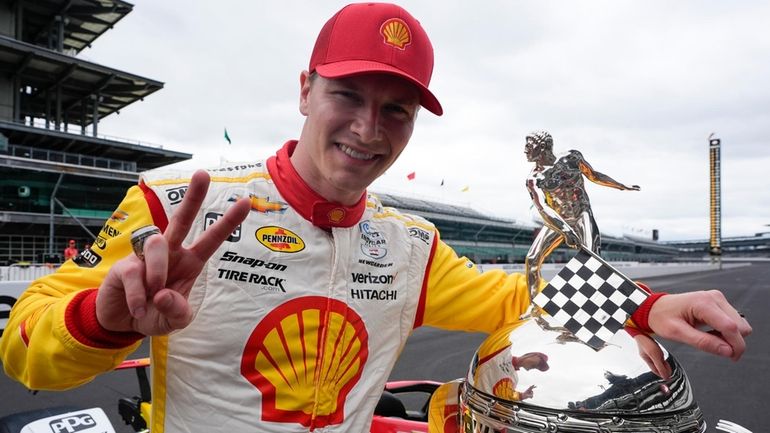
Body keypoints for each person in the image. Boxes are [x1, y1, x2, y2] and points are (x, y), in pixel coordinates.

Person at [0, 3, 750, 433]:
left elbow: (521, 298)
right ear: (304, 90)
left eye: (396, 109)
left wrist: (652, 303)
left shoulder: (409, 245)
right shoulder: (173, 204)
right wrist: (104, 317)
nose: (369, 127)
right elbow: (24, 352)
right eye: (348, 97)